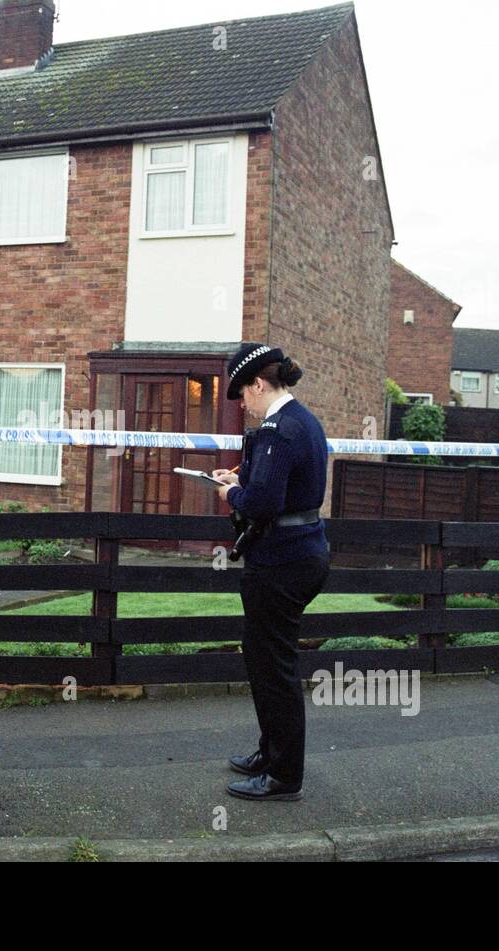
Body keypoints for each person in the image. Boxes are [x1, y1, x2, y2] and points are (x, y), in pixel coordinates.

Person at [212, 343, 331, 802]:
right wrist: (241, 482)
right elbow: (274, 489)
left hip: (283, 563)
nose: (243, 403)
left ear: (259, 384)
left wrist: (230, 495)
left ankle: (283, 775)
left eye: (243, 393)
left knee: (275, 668)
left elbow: (262, 504)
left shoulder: (279, 430)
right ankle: (270, 753)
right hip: (297, 556)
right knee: (263, 660)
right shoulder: (302, 420)